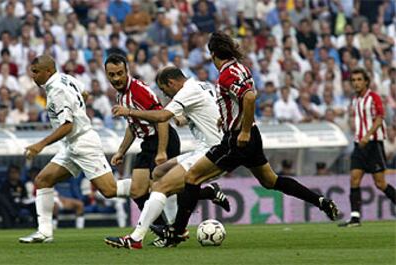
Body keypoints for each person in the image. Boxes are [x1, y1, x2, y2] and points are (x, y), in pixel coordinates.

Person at [145, 32, 339, 247]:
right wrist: (228, 120)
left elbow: (249, 96)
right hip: (250, 136)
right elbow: (241, 99)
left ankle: (176, 231)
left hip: (237, 140)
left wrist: (243, 130)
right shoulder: (240, 67)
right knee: (271, 181)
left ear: (213, 54)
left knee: (192, 178)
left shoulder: (226, 74)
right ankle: (320, 201)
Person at [104, 66, 230, 249]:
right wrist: (184, 118)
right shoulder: (202, 86)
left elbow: (162, 116)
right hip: (206, 148)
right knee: (159, 173)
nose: (168, 95)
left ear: (171, 83)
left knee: (159, 186)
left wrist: (129, 112)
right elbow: (205, 111)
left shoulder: (187, 90)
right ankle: (178, 223)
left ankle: (136, 238)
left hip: (214, 151)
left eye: (165, 90)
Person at [19, 55, 124, 243]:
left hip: (83, 143)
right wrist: (78, 108)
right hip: (71, 145)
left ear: (48, 71)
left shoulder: (56, 90)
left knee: (109, 190)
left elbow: (67, 125)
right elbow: (84, 94)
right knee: (43, 180)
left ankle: (152, 187)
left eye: (36, 72)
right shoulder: (66, 78)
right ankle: (44, 232)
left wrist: (40, 144)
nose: (33, 76)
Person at [104, 53, 180, 227]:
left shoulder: (138, 91)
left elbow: (161, 119)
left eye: (119, 73)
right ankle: (163, 230)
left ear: (127, 71)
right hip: (148, 143)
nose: (116, 78)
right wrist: (121, 151)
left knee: (161, 188)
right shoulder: (120, 95)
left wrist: (161, 151)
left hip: (164, 139)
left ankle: (177, 226)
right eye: (112, 75)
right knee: (137, 192)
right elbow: (133, 126)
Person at [339, 68, 396, 227]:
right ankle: (355, 217)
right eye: (354, 80)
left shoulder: (374, 97)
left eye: (359, 80)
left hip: (373, 145)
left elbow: (379, 118)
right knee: (354, 178)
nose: (356, 83)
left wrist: (368, 135)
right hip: (359, 145)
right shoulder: (355, 100)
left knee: (380, 183)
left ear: (366, 81)